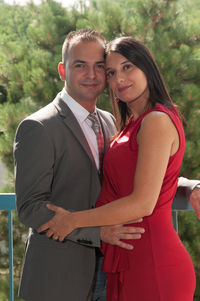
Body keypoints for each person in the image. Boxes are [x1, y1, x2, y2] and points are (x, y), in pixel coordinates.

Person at [38, 37, 197, 300]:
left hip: (153, 263)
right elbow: (149, 175)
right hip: (126, 258)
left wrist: (72, 220)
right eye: (111, 72)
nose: (119, 79)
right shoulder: (128, 123)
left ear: (147, 67)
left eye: (128, 67)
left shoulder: (156, 120)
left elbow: (144, 202)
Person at [14, 29, 146, 301]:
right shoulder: (38, 127)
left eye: (100, 67)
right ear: (63, 70)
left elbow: (140, 174)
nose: (91, 75)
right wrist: (98, 233)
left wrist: (190, 187)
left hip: (110, 272)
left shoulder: (110, 120)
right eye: (80, 66)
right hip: (57, 278)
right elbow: (31, 207)